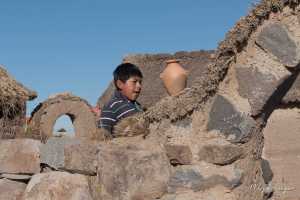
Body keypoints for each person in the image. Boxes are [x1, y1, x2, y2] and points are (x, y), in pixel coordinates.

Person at [98, 63, 143, 137]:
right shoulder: (111, 106)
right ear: (120, 84)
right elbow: (103, 133)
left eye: (140, 82)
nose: (139, 86)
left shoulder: (137, 105)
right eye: (134, 82)